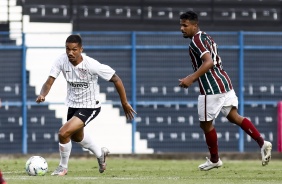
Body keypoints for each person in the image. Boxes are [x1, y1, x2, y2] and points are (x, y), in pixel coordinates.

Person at [178, 11, 272, 171]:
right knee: (234, 116)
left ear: (195, 25)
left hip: (211, 87)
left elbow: (208, 62)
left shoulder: (196, 40)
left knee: (205, 125)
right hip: (224, 82)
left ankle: (215, 159)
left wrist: (191, 78)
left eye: (185, 25)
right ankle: (262, 142)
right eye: (181, 25)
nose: (182, 28)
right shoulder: (206, 37)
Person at [36, 34, 136, 176]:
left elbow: (116, 79)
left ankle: (62, 167)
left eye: (74, 49)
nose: (70, 52)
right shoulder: (61, 60)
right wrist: (42, 94)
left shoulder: (92, 65)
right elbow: (49, 81)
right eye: (67, 49)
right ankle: (100, 153)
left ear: (81, 49)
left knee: (63, 133)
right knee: (77, 137)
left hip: (90, 106)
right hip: (73, 105)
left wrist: (124, 103)